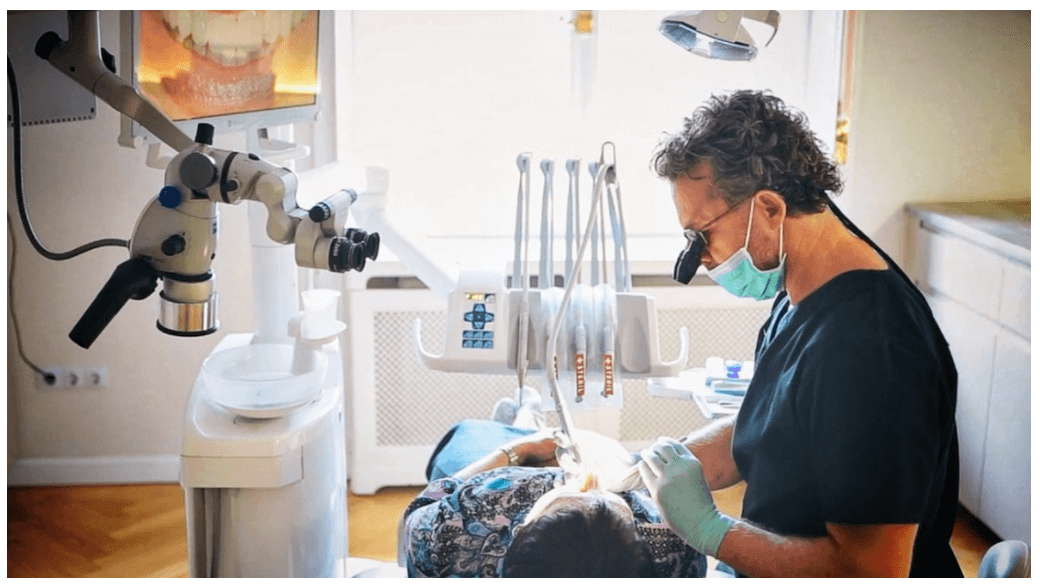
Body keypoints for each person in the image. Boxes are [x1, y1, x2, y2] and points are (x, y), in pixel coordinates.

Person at [639, 90, 960, 578]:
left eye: (703, 234)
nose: (699, 258)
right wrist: (649, 467)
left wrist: (712, 531)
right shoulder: (800, 290)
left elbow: (870, 572)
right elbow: (774, 424)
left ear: (769, 209)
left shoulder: (874, 350)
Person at [402, 389, 707, 578]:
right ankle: (525, 419)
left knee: (468, 438)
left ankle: (521, 422)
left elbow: (422, 506)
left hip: (503, 473)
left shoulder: (454, 527)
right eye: (608, 501)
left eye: (567, 495)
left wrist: (512, 453)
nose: (590, 480)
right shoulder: (678, 550)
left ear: (520, 532)